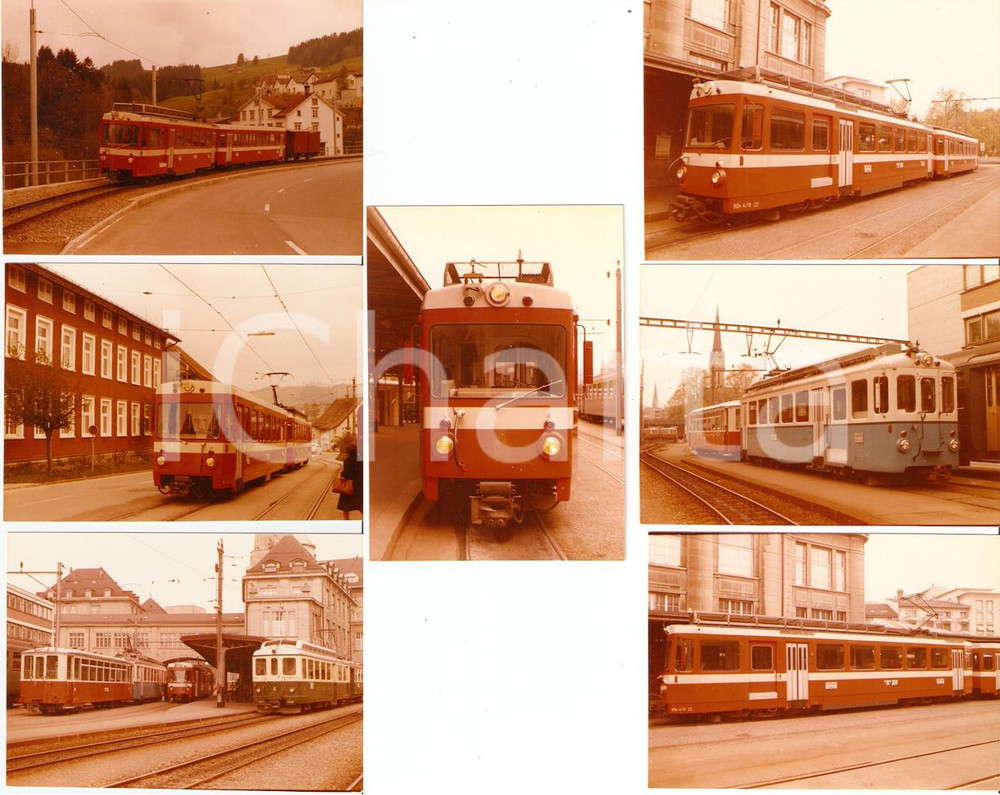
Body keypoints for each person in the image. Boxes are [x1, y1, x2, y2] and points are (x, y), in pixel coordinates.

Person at [336, 432, 363, 520]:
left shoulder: (348, 455)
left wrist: (343, 475)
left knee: (345, 505)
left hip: (348, 483)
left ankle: (346, 520)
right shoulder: (359, 453)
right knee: (359, 504)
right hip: (358, 482)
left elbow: (347, 469)